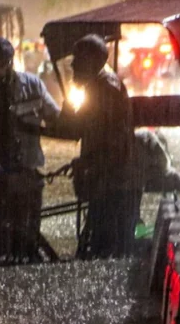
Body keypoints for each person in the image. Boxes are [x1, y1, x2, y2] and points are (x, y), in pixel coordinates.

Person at [0, 37, 60, 260]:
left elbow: (55, 118)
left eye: (1, 65)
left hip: (27, 172)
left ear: (11, 63)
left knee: (28, 237)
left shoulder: (33, 86)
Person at [56, 34, 140, 259]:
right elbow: (76, 129)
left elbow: (113, 143)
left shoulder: (105, 90)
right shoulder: (97, 87)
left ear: (92, 62)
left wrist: (88, 163)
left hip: (113, 183)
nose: (73, 67)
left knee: (104, 251)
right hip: (104, 177)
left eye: (78, 62)